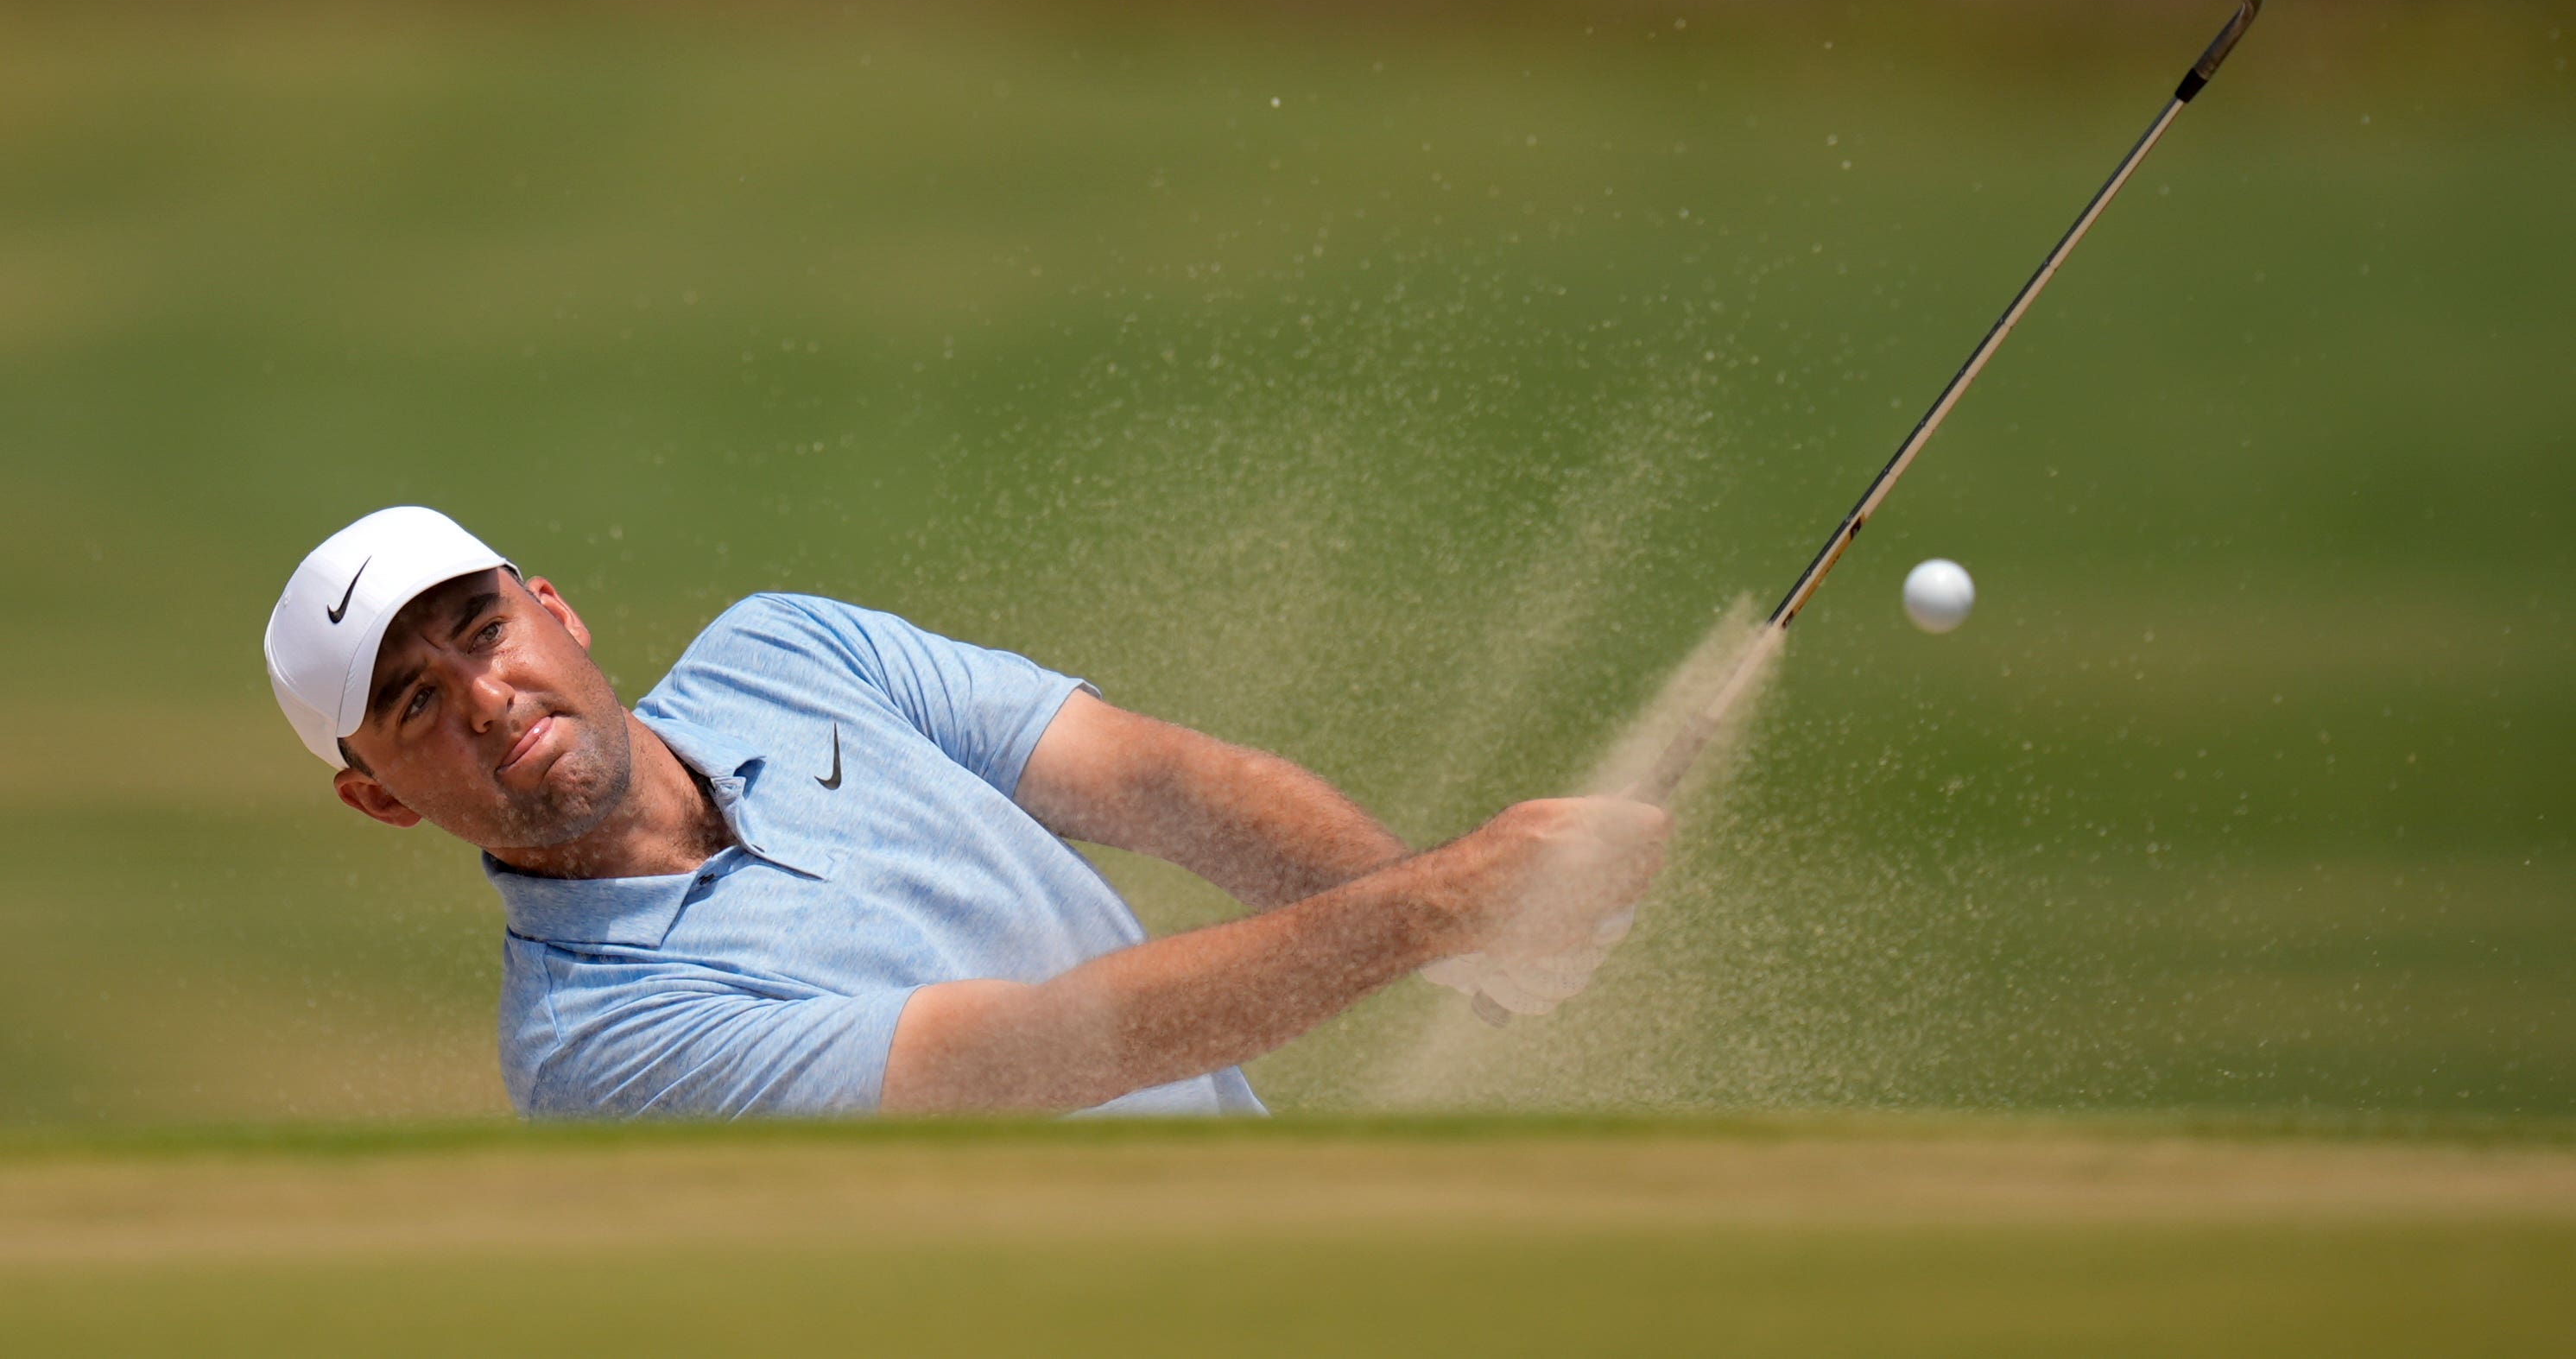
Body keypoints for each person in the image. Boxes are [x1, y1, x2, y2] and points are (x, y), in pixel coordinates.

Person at [264, 506, 1671, 1118]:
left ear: (553, 608)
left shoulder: (792, 651)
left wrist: (1466, 930)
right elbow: (1039, 1050)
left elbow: (1166, 785)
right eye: (414, 702)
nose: (487, 696)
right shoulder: (595, 1048)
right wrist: (1435, 907)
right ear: (378, 796)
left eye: (480, 629)